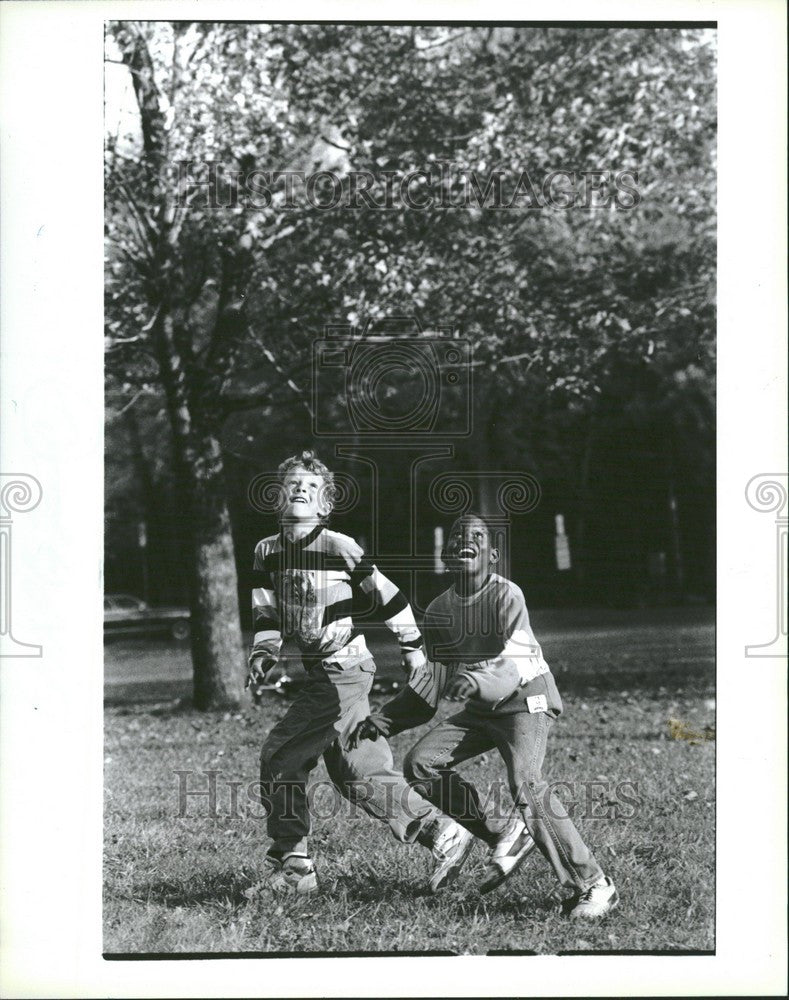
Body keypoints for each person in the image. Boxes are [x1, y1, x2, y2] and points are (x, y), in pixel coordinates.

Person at [350, 512, 619, 918]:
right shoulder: (439, 611)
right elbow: (430, 686)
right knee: (421, 764)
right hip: (482, 709)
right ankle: (503, 832)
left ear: (492, 554)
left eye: (475, 536)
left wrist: (478, 683)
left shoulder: (507, 596)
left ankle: (593, 883)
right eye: (457, 536)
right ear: (445, 554)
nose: (464, 540)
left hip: (526, 701)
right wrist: (384, 721)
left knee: (526, 784)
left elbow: (512, 663)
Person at [246, 450, 474, 895]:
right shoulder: (266, 551)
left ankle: (294, 869)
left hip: (344, 671)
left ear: (324, 506)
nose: (299, 491)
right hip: (320, 673)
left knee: (281, 755)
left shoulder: (339, 546)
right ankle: (440, 830)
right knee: (356, 772)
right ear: (277, 496)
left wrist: (412, 648)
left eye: (310, 488)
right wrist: (264, 651)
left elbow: (388, 596)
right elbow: (266, 611)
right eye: (292, 484)